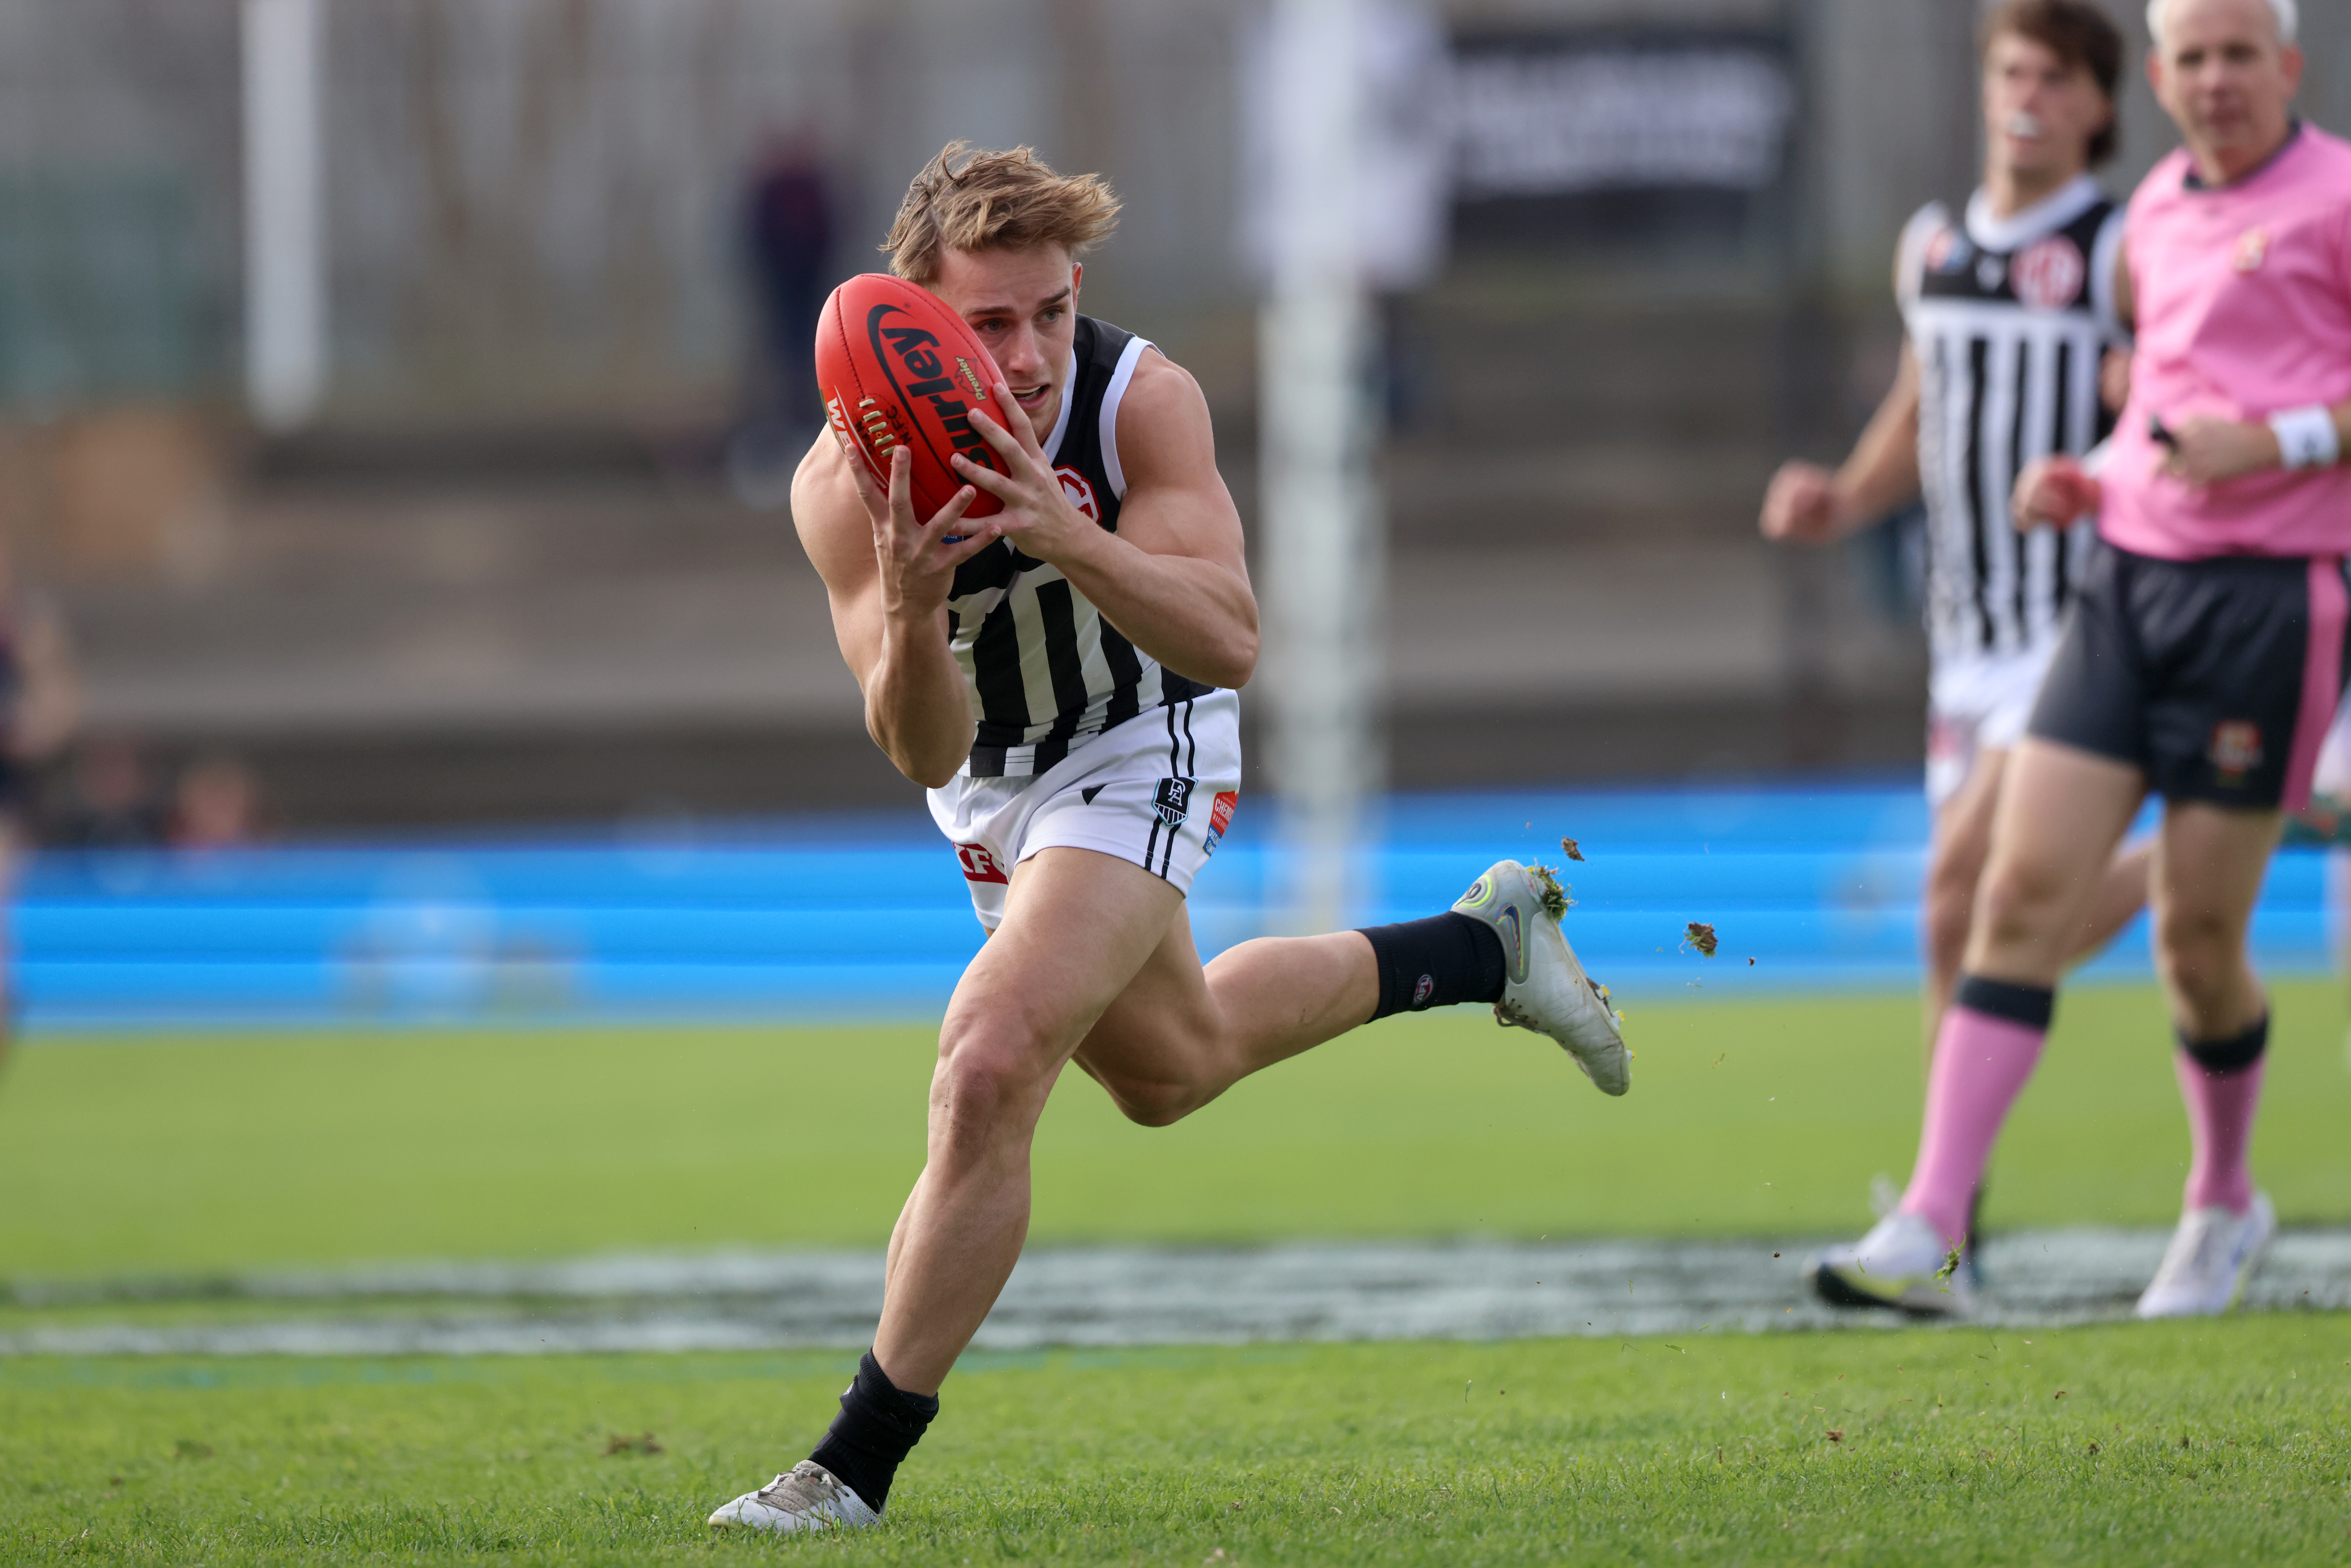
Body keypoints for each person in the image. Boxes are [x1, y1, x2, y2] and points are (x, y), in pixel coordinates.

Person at [707, 143, 1629, 1535]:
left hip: (1145, 736)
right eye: (989, 323)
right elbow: (923, 749)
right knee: (1170, 1067)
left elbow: (1231, 638)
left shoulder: (1139, 401)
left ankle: (849, 1468)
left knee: (989, 1059)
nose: (1027, 357)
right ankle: (1479, 948)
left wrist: (1065, 536)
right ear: (916, 318)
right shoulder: (843, 483)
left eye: (1051, 312)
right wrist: (908, 609)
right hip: (992, 784)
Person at [1810, 0, 2349, 1318]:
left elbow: (2253, 423)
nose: (2215, 80)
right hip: (2120, 593)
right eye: (2192, 58)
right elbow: (2158, 410)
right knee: (2008, 894)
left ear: (2285, 65)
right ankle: (1932, 1224)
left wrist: (2278, 442)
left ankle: (2220, 1199)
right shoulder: (2154, 216)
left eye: (2238, 55)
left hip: (2267, 602)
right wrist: (2089, 477)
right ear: (2157, 78)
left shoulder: (2336, 197)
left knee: (2196, 944)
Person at [1763, 1, 2152, 1072]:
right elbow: (1920, 405)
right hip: (1965, 639)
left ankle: (1942, 1174)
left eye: (2058, 80)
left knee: (1958, 891)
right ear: (1986, 88)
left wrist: (2135, 406)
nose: (2030, 98)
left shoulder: (2117, 251)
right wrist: (1845, 498)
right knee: (1968, 930)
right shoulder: (1930, 247)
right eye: (2015, 73)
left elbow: (2184, 387)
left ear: (2100, 109)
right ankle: (2194, 858)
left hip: (2075, 626)